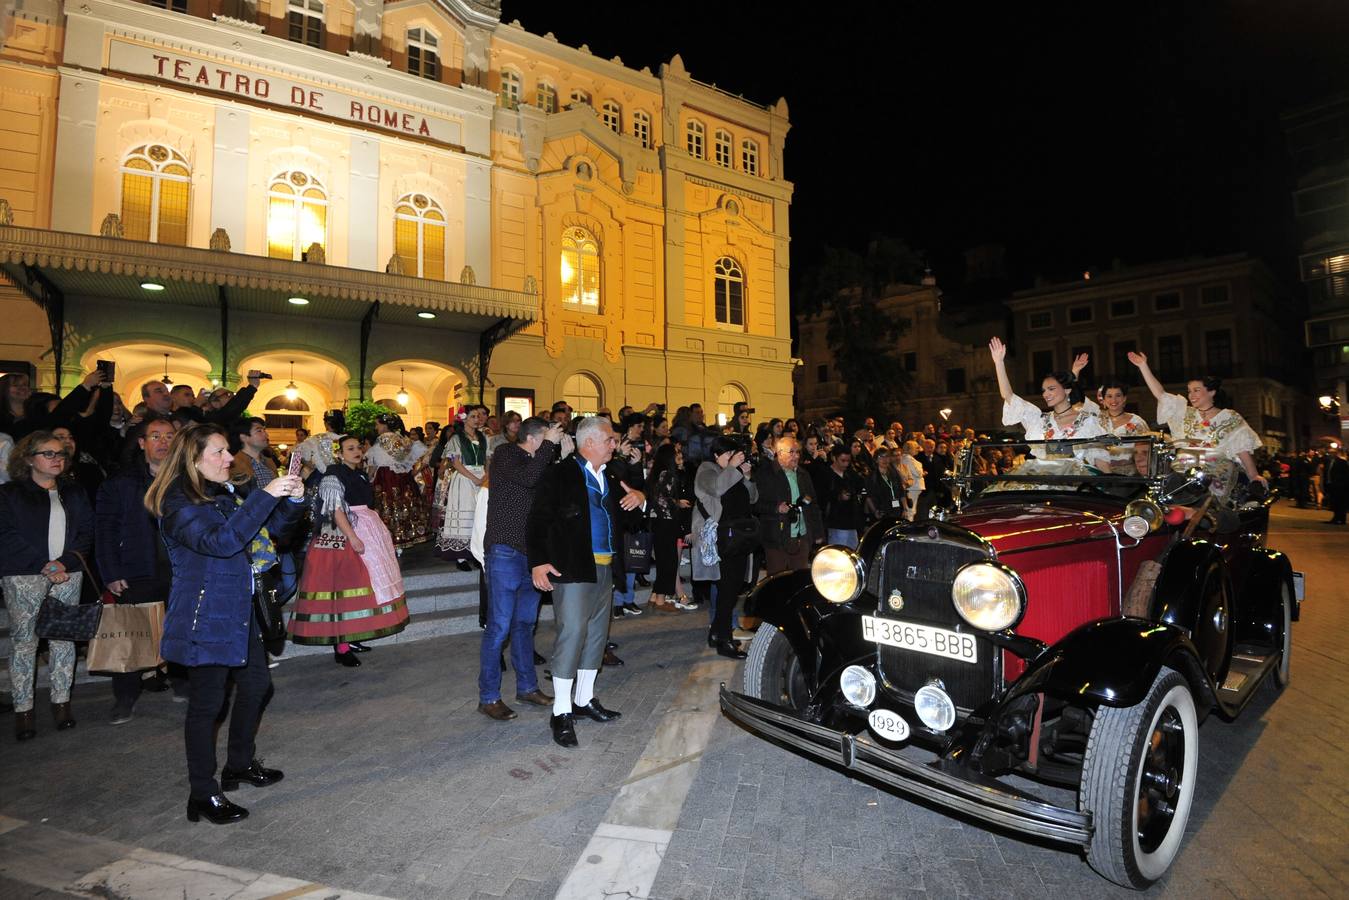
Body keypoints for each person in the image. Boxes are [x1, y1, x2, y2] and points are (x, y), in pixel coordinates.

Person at [145, 423, 306, 824]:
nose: (228, 458)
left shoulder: (223, 494)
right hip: (205, 615)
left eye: (226, 450)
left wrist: (293, 501)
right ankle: (202, 792)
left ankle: (238, 764)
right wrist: (265, 495)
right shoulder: (178, 503)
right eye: (217, 452)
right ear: (192, 459)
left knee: (256, 685)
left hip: (237, 609)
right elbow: (222, 543)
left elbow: (271, 535)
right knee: (208, 704)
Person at [527, 416, 645, 748]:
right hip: (574, 567)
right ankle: (561, 711)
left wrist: (640, 497)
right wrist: (538, 561)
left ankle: (584, 699)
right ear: (589, 442)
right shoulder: (560, 473)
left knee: (597, 636)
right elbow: (537, 520)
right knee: (573, 634)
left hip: (606, 567)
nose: (614, 445)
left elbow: (631, 518)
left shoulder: (611, 474)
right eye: (609, 439)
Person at [0, 431, 94, 740]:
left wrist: (64, 562)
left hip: (68, 572)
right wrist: (43, 564)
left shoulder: (74, 491)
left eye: (61, 454)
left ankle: (61, 705)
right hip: (24, 574)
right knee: (25, 642)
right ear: (28, 458)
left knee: (64, 640)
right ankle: (23, 711)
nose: (57, 459)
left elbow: (86, 532)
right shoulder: (9, 494)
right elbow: (7, 535)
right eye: (49, 454)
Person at [290, 435, 409, 666]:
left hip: (365, 528)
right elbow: (334, 508)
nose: (356, 451)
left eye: (358, 447)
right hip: (342, 535)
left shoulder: (360, 473)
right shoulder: (334, 473)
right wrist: (352, 537)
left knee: (362, 588)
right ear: (339, 453)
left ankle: (352, 637)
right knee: (344, 589)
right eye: (350, 448)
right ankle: (341, 646)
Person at [96, 416, 184, 724]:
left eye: (169, 436)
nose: (163, 441)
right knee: (132, 635)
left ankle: (183, 683)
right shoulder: (121, 482)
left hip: (181, 571)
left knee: (182, 630)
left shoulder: (188, 479)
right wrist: (110, 572)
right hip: (136, 570)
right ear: (142, 443)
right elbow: (105, 529)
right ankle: (125, 698)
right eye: (155, 436)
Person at [476, 416, 562, 720]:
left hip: (532, 556)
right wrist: (550, 445)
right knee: (499, 626)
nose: (554, 443)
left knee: (525, 625)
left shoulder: (542, 464)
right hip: (504, 551)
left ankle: (527, 687)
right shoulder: (506, 454)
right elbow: (527, 477)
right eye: (550, 437)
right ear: (536, 437)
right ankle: (488, 697)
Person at [1128, 351, 1266, 499]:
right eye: (1189, 391)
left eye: (1196, 390)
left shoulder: (1230, 417)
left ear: (1211, 391)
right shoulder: (1184, 413)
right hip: (1182, 473)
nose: (1191, 395)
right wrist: (1143, 366)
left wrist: (1254, 476)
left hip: (1216, 476)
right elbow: (1161, 394)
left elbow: (1242, 449)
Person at [692, 435, 759, 659]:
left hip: (737, 538)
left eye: (735, 454)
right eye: (728, 454)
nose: (733, 459)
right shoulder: (706, 471)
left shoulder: (734, 473)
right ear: (716, 455)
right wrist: (733, 468)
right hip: (720, 541)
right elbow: (717, 489)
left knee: (730, 590)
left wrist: (747, 476)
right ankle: (725, 640)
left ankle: (715, 633)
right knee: (727, 591)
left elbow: (752, 498)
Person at [989, 338, 1101, 443]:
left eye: (1051, 389)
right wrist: (999, 363)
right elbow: (1008, 396)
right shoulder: (1040, 420)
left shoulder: (1088, 420)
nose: (1046, 394)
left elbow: (1100, 458)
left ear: (1067, 390)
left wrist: (1074, 373)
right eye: (1044, 390)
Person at [754, 435, 823, 574]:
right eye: (791, 452)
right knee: (776, 582)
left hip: (801, 536)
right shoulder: (766, 474)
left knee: (799, 580)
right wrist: (776, 508)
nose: (796, 456)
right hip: (776, 537)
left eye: (798, 452)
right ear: (779, 453)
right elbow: (755, 504)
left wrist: (818, 532)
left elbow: (813, 504)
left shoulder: (803, 474)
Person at [435, 405, 489, 570]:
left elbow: (487, 459)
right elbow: (455, 462)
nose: (477, 419)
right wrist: (474, 477)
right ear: (464, 419)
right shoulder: (455, 439)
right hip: (464, 478)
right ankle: (461, 557)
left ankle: (476, 553)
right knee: (463, 515)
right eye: (473, 416)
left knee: (479, 515)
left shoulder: (483, 437)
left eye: (478, 416)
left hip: (481, 476)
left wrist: (486, 475)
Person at [367, 412, 427, 548]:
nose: (376, 427)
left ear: (384, 425)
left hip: (385, 476)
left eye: (377, 424)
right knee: (402, 504)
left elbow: (374, 462)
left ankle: (390, 540)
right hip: (403, 477)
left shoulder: (382, 439)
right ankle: (405, 536)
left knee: (387, 506)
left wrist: (369, 477)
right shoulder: (402, 438)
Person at [646, 443, 692, 611]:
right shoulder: (667, 474)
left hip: (659, 523)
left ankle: (654, 596)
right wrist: (677, 502)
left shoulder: (657, 473)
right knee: (669, 561)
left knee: (665, 559)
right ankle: (660, 600)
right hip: (666, 522)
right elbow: (662, 499)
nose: (679, 456)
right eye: (676, 454)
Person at [1096, 378, 1151, 475]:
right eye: (1109, 396)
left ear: (1124, 398)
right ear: (1104, 399)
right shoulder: (1096, 421)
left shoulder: (1137, 422)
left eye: (1118, 395)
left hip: (1130, 475)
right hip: (1100, 474)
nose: (1113, 400)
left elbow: (1147, 448)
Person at [819, 444, 865, 548]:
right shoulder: (825, 474)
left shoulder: (850, 473)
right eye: (842, 460)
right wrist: (838, 496)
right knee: (838, 554)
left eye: (848, 461)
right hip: (836, 523)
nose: (846, 464)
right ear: (834, 458)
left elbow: (861, 485)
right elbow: (822, 497)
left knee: (852, 554)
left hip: (852, 522)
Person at [898, 440, 925, 521]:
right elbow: (917, 473)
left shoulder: (907, 458)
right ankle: (909, 527)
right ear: (910, 449)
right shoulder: (908, 459)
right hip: (912, 487)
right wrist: (922, 471)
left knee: (911, 509)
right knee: (911, 510)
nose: (917, 449)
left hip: (912, 487)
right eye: (915, 447)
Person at [1324, 446, 1349, 525]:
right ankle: (1336, 518)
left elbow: (1346, 474)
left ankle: (1342, 519)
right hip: (1332, 485)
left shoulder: (1342, 462)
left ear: (1336, 453)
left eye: (1332, 453)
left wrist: (1343, 484)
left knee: (1341, 503)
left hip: (1340, 486)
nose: (1330, 454)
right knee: (1334, 502)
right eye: (1329, 453)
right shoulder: (1329, 462)